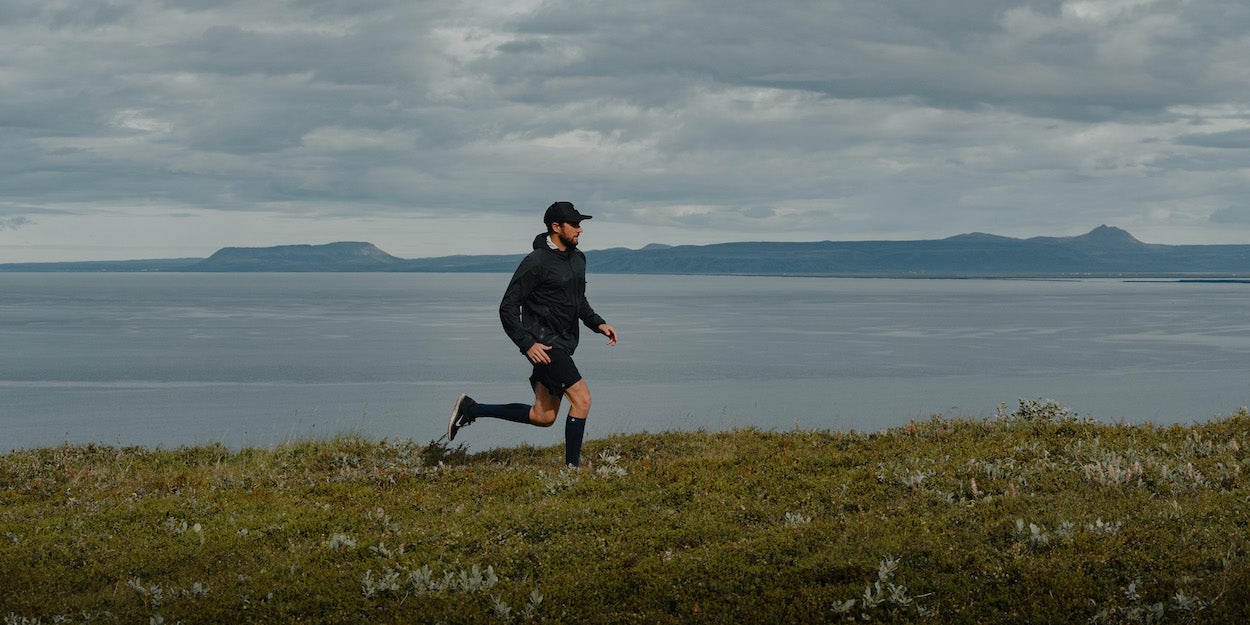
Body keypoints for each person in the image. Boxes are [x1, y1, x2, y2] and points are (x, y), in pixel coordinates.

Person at [447, 201, 619, 467]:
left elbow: (577, 301)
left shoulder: (578, 259)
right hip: (546, 346)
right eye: (574, 224)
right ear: (555, 227)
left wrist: (598, 324)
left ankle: (471, 408)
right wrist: (527, 344)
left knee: (543, 416)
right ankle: (571, 473)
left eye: (580, 224)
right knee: (583, 400)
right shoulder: (536, 262)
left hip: (565, 342)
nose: (580, 230)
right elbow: (507, 307)